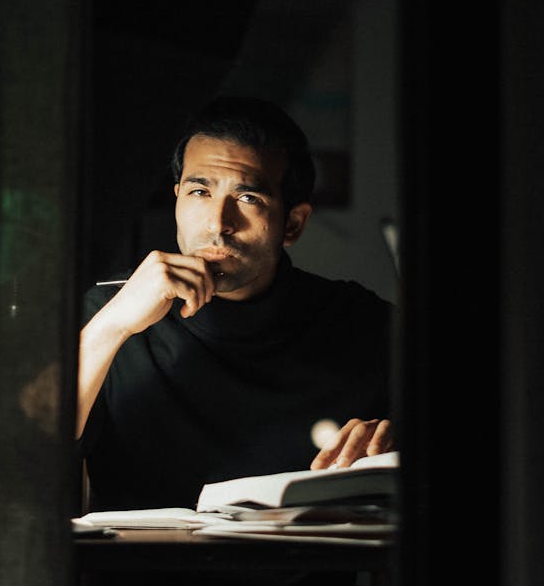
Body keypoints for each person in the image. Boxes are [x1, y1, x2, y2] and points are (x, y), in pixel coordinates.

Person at [76, 95, 396, 512]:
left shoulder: (357, 321)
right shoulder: (110, 314)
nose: (217, 223)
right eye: (199, 191)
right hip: (143, 574)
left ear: (293, 223)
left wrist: (395, 444)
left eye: (248, 198)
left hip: (308, 575)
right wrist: (112, 325)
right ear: (176, 199)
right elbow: (24, 450)